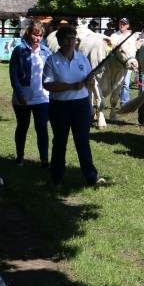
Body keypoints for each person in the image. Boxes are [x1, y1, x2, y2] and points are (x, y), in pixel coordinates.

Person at [42, 23, 107, 187]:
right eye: (70, 38)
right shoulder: (52, 60)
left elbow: (88, 79)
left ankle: (91, 177)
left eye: (74, 38)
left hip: (81, 106)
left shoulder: (81, 58)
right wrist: (71, 86)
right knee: (59, 142)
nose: (74, 41)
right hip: (59, 106)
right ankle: (56, 177)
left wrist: (90, 81)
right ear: (61, 41)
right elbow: (47, 84)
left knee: (83, 141)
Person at [8, 21, 51, 167]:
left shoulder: (46, 51)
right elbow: (13, 75)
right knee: (22, 127)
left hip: (42, 98)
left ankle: (44, 160)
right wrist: (20, 94)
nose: (37, 38)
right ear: (28, 33)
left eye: (40, 36)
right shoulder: (19, 50)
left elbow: (51, 73)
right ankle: (20, 157)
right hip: (23, 98)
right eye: (34, 34)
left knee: (42, 129)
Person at [110, 17, 133, 107]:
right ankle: (114, 101)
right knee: (115, 84)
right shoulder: (114, 35)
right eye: (121, 23)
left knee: (126, 84)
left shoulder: (131, 36)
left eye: (124, 24)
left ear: (128, 25)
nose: (122, 25)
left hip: (127, 63)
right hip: (116, 65)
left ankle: (124, 103)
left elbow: (133, 49)